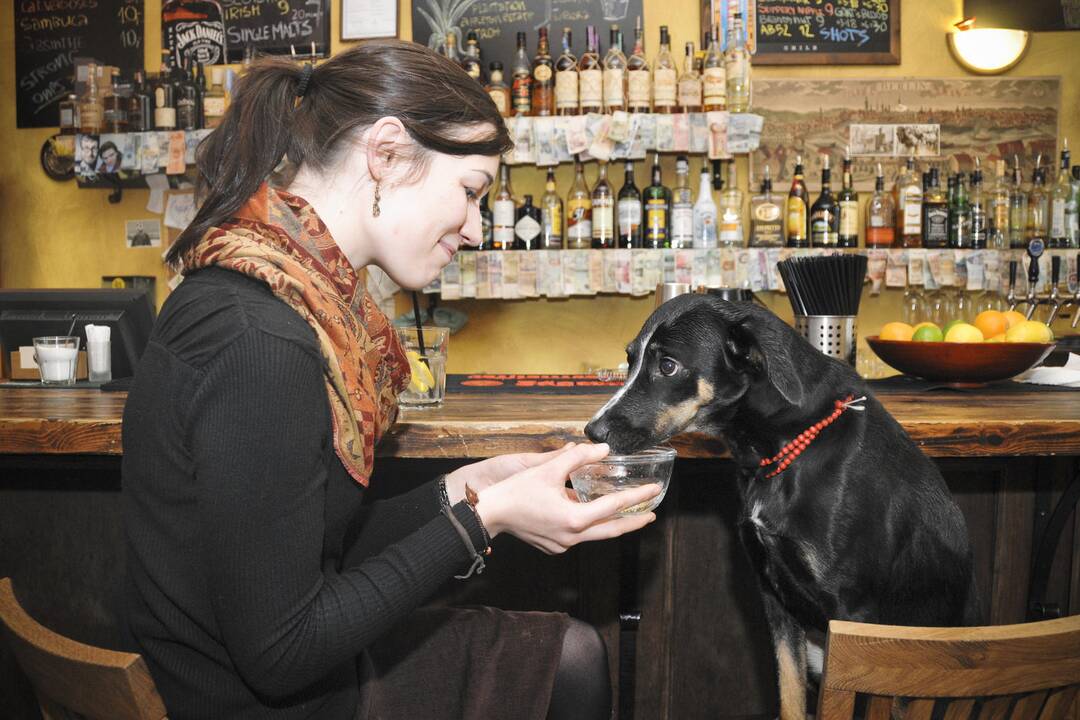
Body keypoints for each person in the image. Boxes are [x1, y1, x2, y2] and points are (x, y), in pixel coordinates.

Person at [122, 41, 661, 720]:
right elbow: (284, 651)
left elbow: (311, 545)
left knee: (569, 653)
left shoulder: (270, 291)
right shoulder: (263, 342)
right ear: (386, 154)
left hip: (252, 674)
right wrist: (483, 522)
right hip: (253, 701)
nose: (473, 228)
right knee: (572, 661)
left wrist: (471, 487)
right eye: (470, 193)